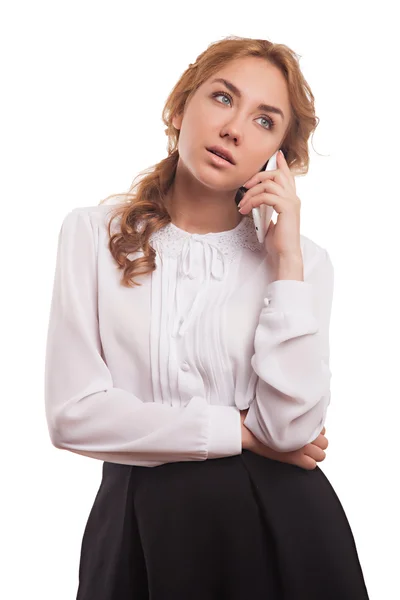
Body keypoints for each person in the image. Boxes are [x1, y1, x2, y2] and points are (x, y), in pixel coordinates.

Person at [44, 36, 370, 599]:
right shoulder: (93, 235)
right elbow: (72, 415)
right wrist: (242, 433)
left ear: (278, 159)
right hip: (138, 527)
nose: (234, 128)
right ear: (179, 108)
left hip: (282, 528)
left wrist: (285, 260)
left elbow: (292, 431)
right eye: (223, 99)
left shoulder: (303, 263)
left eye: (264, 121)